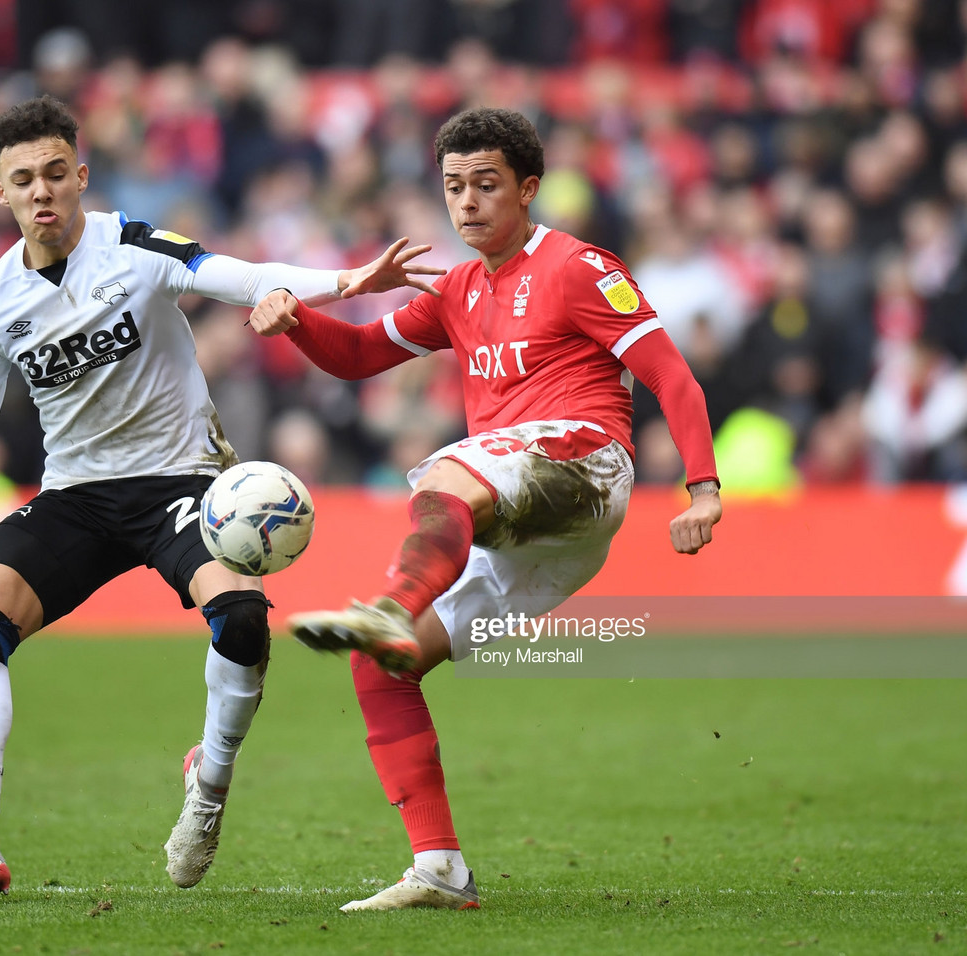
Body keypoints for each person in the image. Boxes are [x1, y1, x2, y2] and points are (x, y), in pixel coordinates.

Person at [0, 94, 440, 899]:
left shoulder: (131, 244)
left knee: (240, 618)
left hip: (183, 484)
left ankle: (210, 782)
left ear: (81, 175)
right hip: (78, 495)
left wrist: (345, 281)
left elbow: (236, 275)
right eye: (23, 179)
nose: (42, 191)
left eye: (56, 173)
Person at [247, 107, 722, 911]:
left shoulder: (580, 267)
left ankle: (391, 604)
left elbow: (672, 376)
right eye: (453, 187)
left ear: (529, 189)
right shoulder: (457, 288)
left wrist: (703, 489)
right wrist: (296, 322)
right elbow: (360, 354)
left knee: (446, 471)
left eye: (486, 185)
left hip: (584, 464)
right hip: (534, 537)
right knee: (382, 668)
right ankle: (438, 868)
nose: (467, 203)